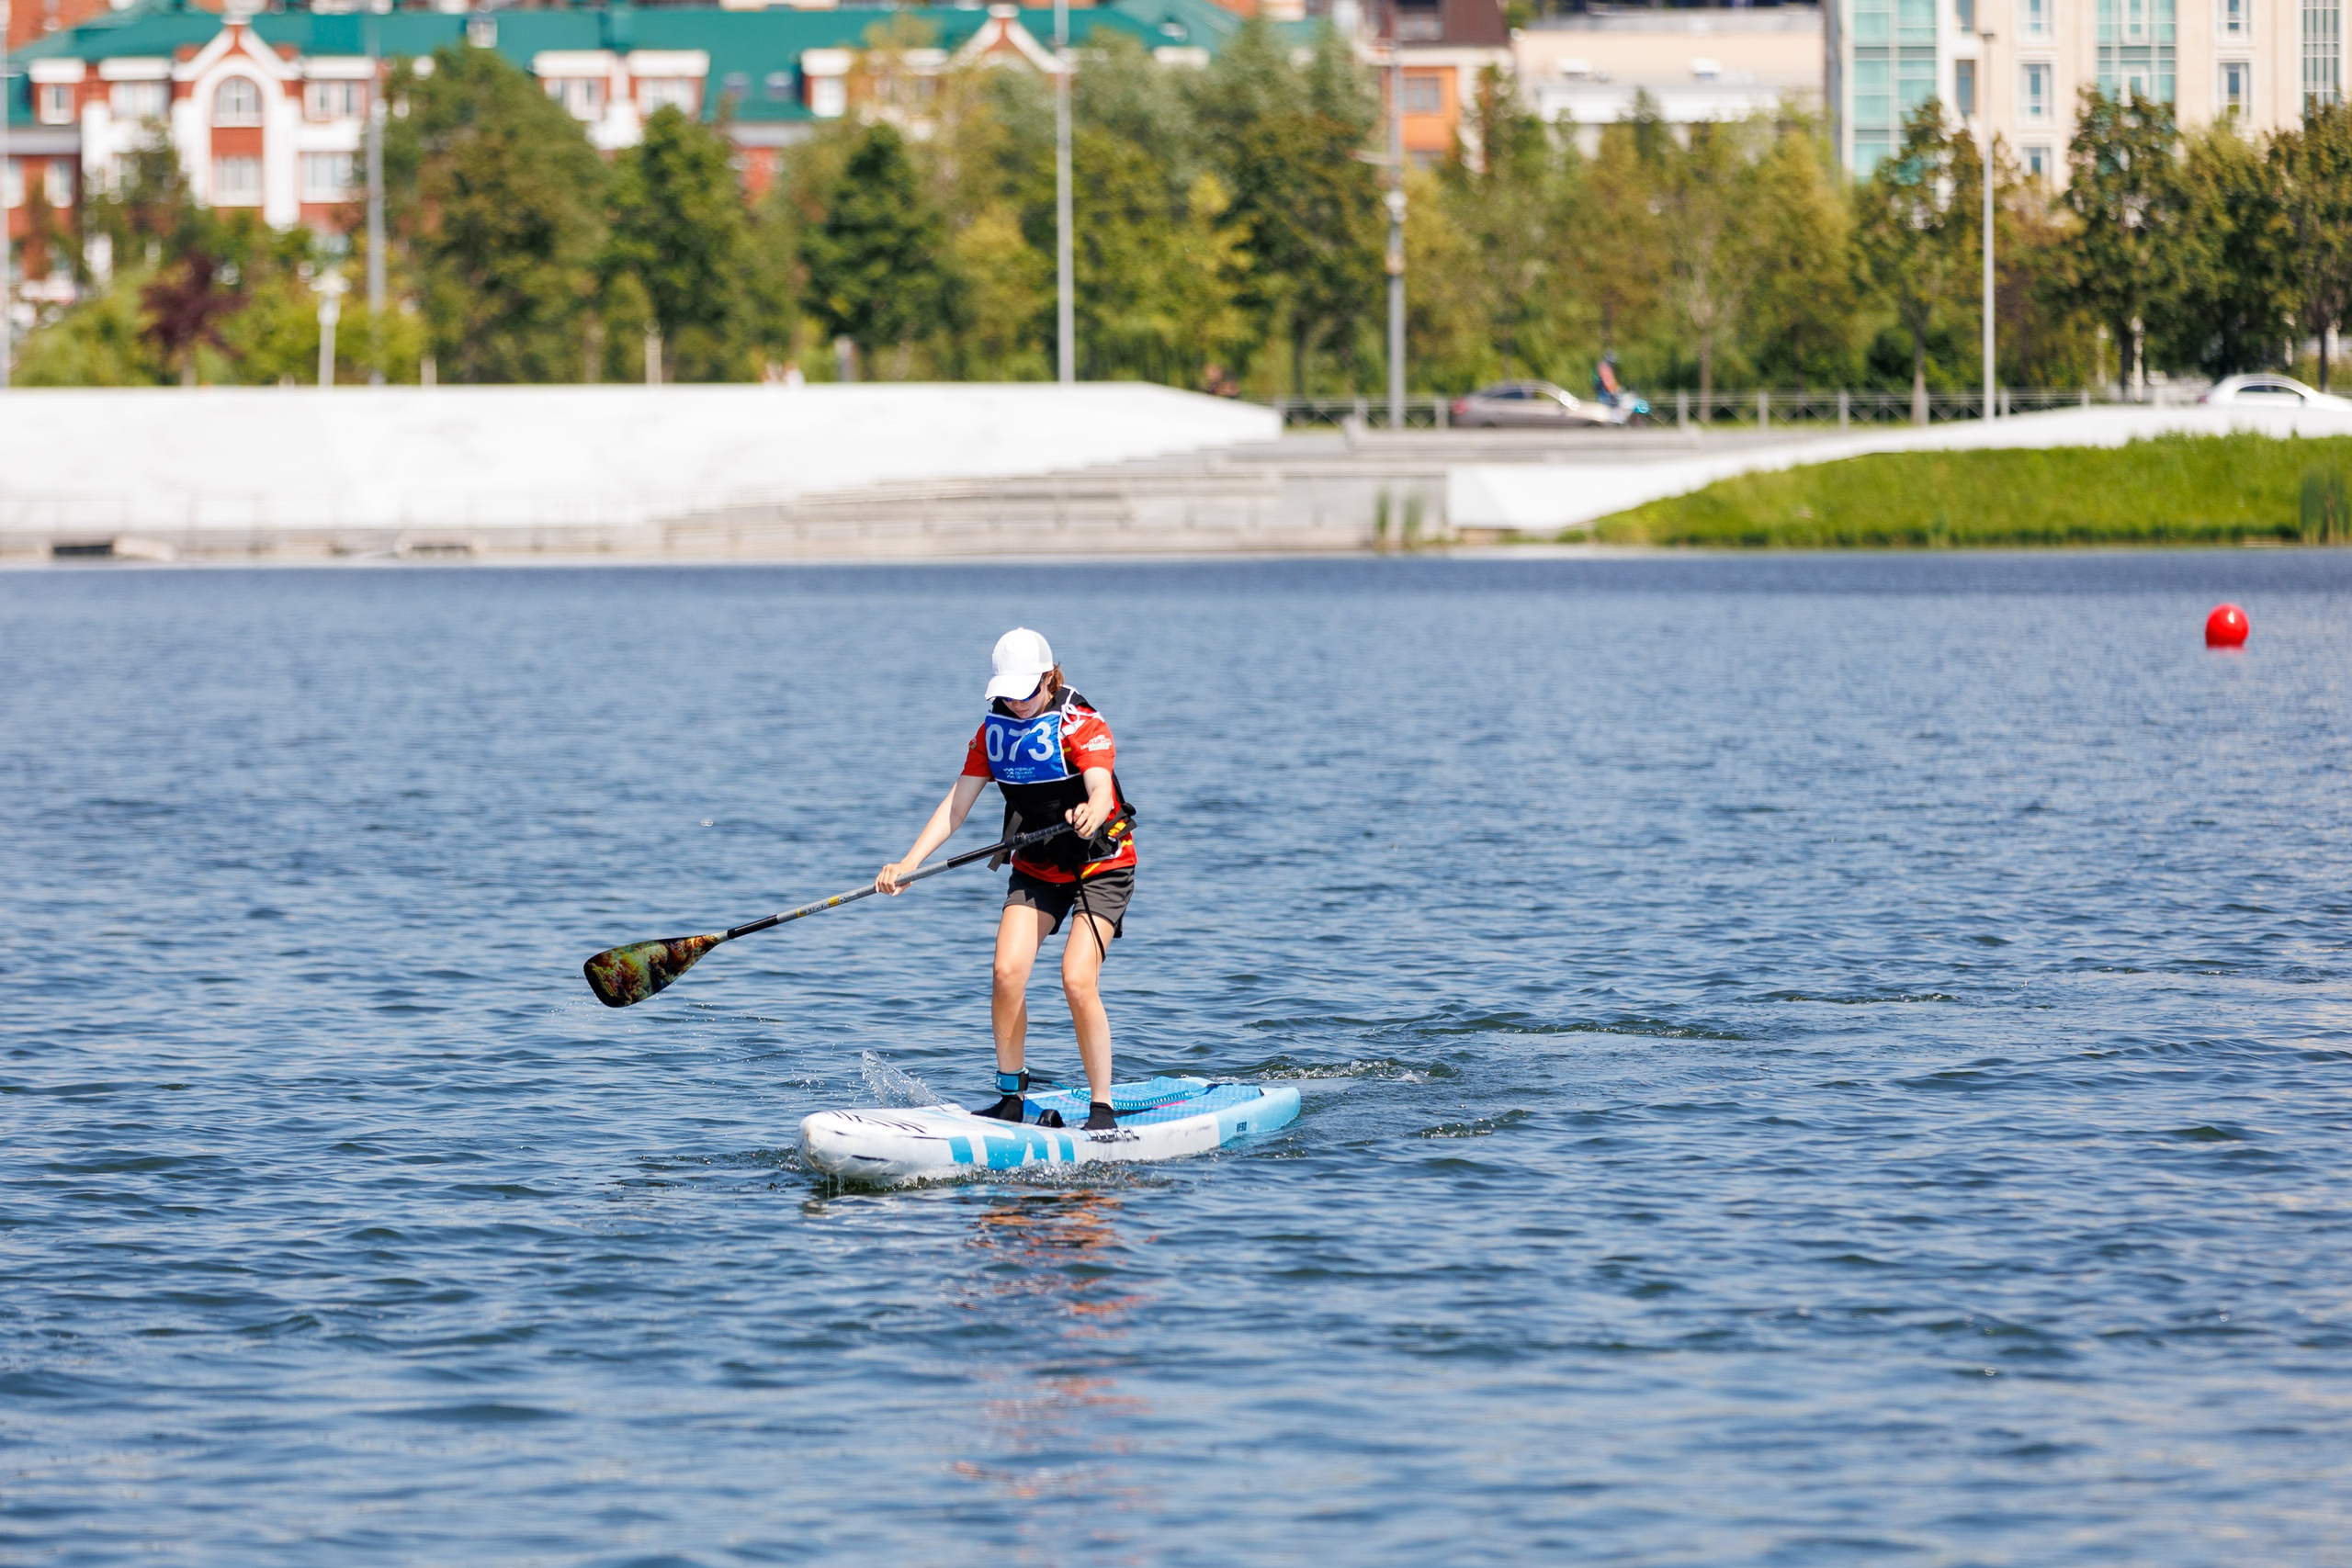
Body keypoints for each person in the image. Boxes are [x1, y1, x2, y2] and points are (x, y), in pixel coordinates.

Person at [876, 628, 1137, 1132]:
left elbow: (1101, 789)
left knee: (1076, 977)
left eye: (1026, 692)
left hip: (1100, 865)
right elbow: (956, 807)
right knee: (1005, 973)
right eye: (1008, 694)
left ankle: (1102, 1110)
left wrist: (1092, 811)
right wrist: (907, 864)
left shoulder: (1081, 723)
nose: (1016, 704)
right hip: (1037, 866)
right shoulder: (991, 733)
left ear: (1049, 678)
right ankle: (1011, 1098)